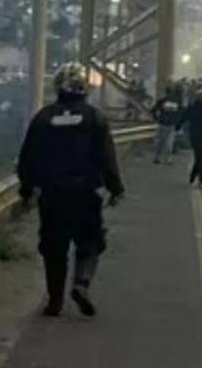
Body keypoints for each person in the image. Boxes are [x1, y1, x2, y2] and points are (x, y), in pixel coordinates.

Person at [17, 62, 125, 318]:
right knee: (90, 242)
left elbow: (27, 158)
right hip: (85, 193)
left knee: (53, 248)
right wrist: (115, 188)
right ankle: (81, 283)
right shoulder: (94, 118)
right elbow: (106, 157)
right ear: (84, 88)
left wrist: (27, 190)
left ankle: (54, 301)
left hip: (52, 195)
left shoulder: (43, 118)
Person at [151, 87, 181, 165]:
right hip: (170, 125)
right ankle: (167, 159)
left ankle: (158, 157)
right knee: (168, 142)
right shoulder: (176, 102)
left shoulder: (161, 101)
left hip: (163, 124)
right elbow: (179, 114)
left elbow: (153, 110)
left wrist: (156, 118)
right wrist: (178, 123)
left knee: (161, 142)